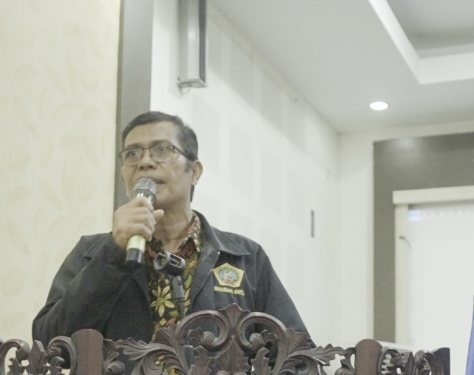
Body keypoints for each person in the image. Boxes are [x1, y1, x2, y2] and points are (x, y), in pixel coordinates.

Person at [33, 111, 307, 345]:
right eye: (132, 154)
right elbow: (50, 345)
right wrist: (113, 255)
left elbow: (297, 358)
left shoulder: (244, 258)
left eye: (162, 149)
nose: (145, 162)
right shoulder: (92, 253)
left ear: (194, 172)